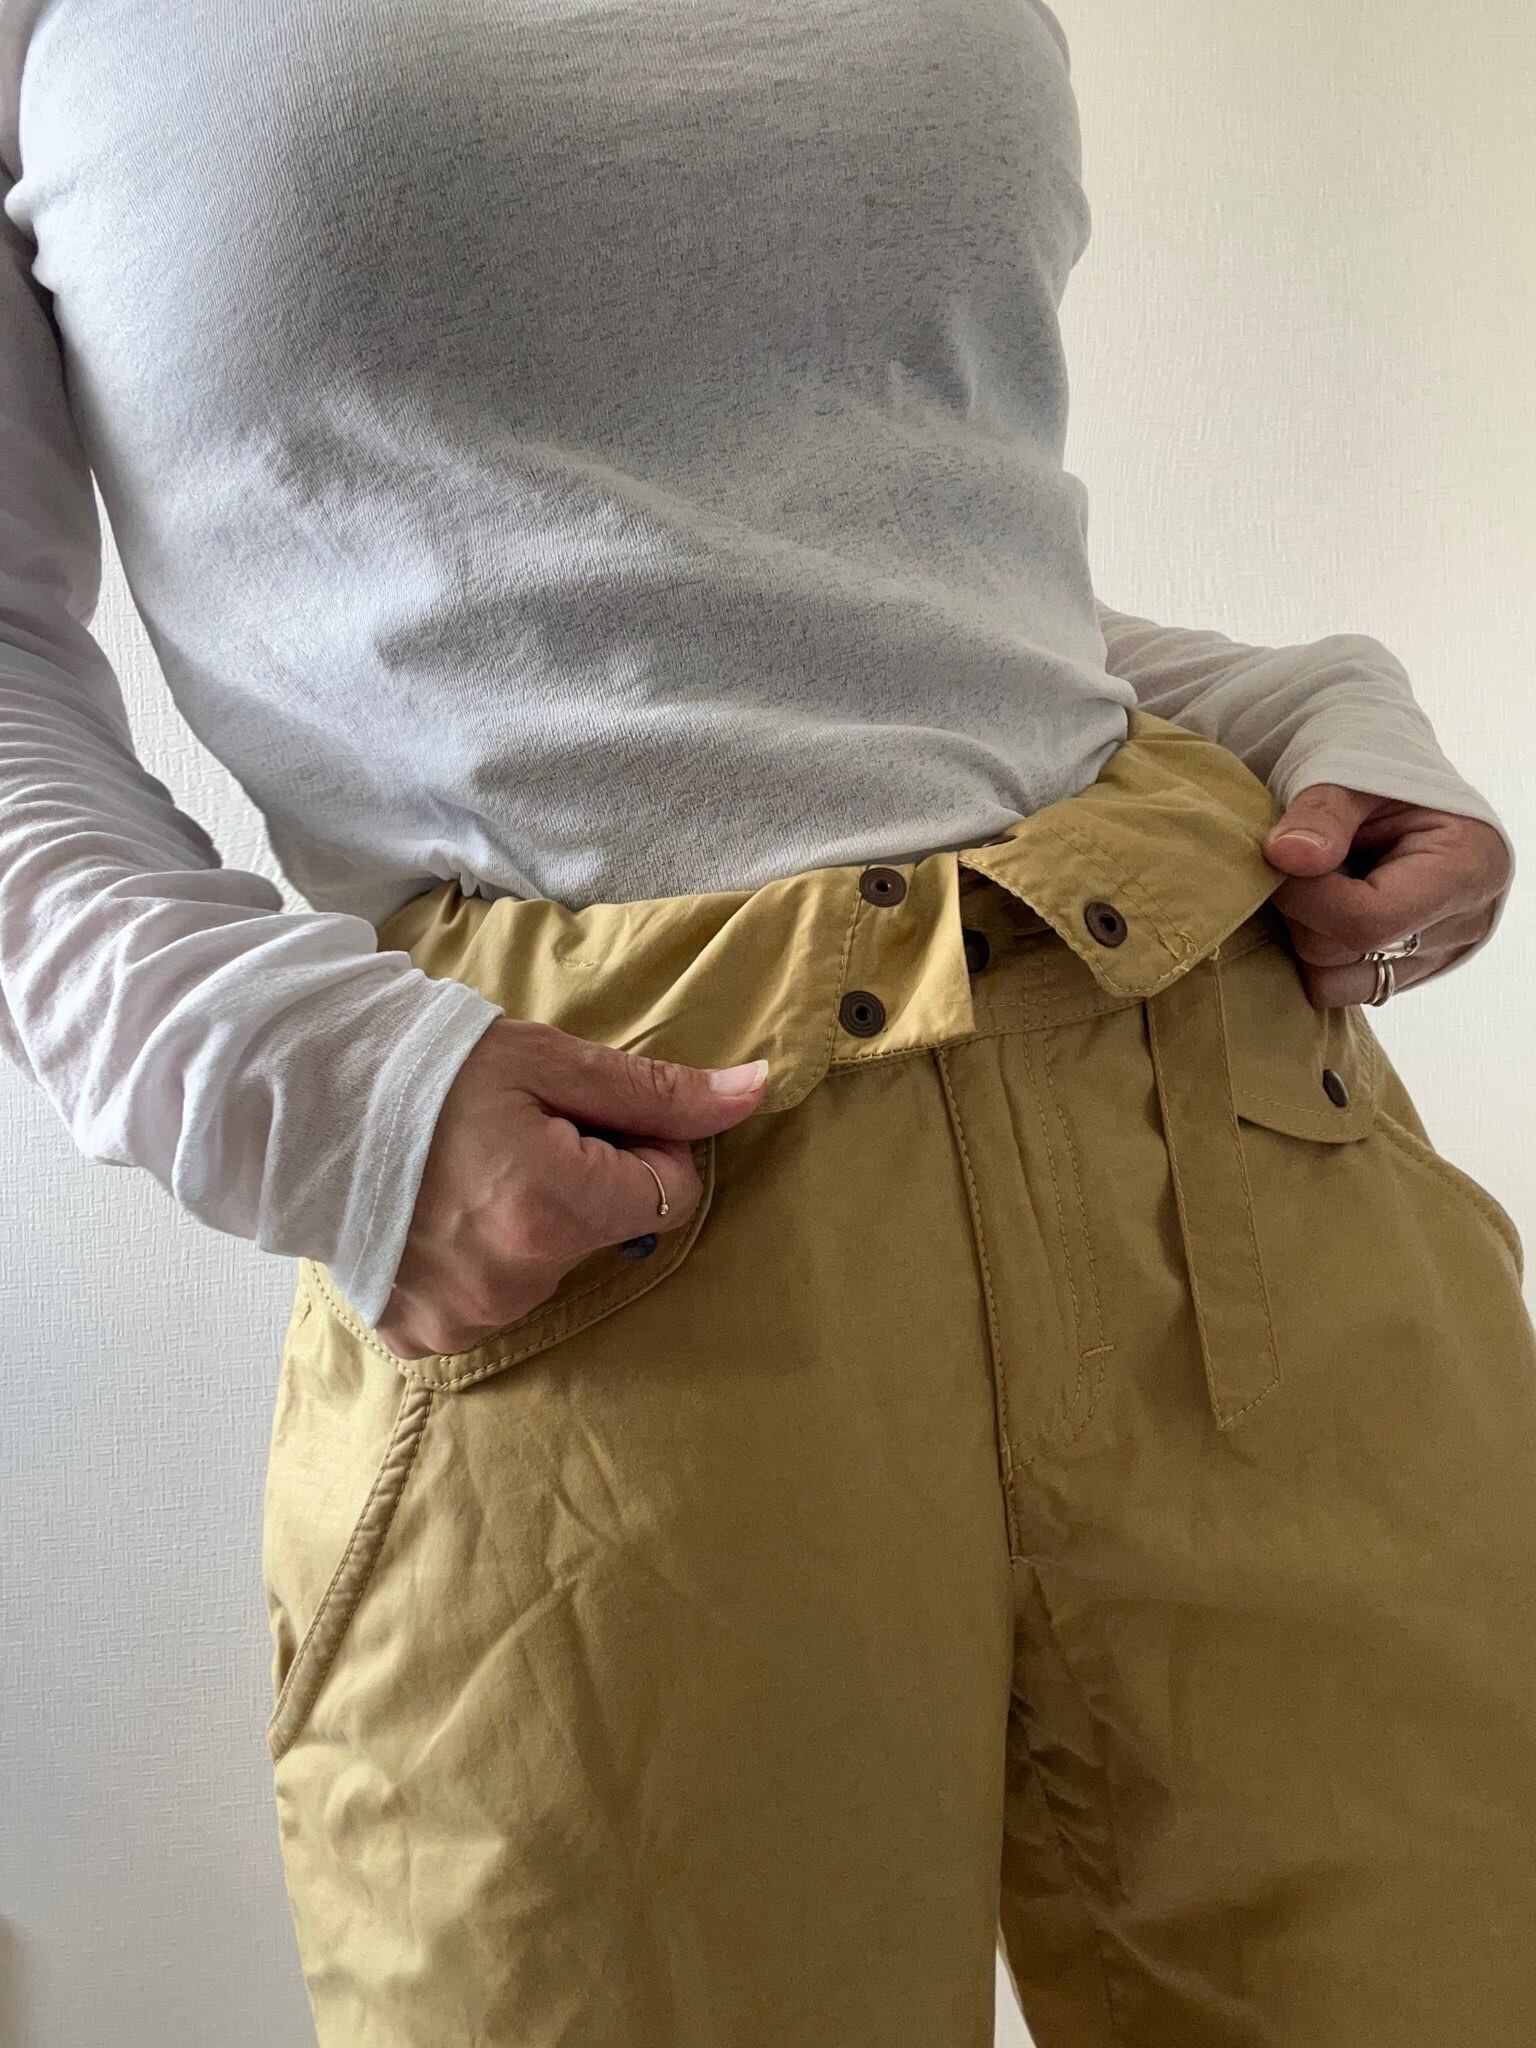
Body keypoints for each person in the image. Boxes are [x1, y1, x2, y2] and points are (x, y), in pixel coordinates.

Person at [1, 3, 1530, 2044]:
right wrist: (288, 1077)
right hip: (619, 1214)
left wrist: (1291, 708)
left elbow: (853, 563)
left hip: (1227, 1112)